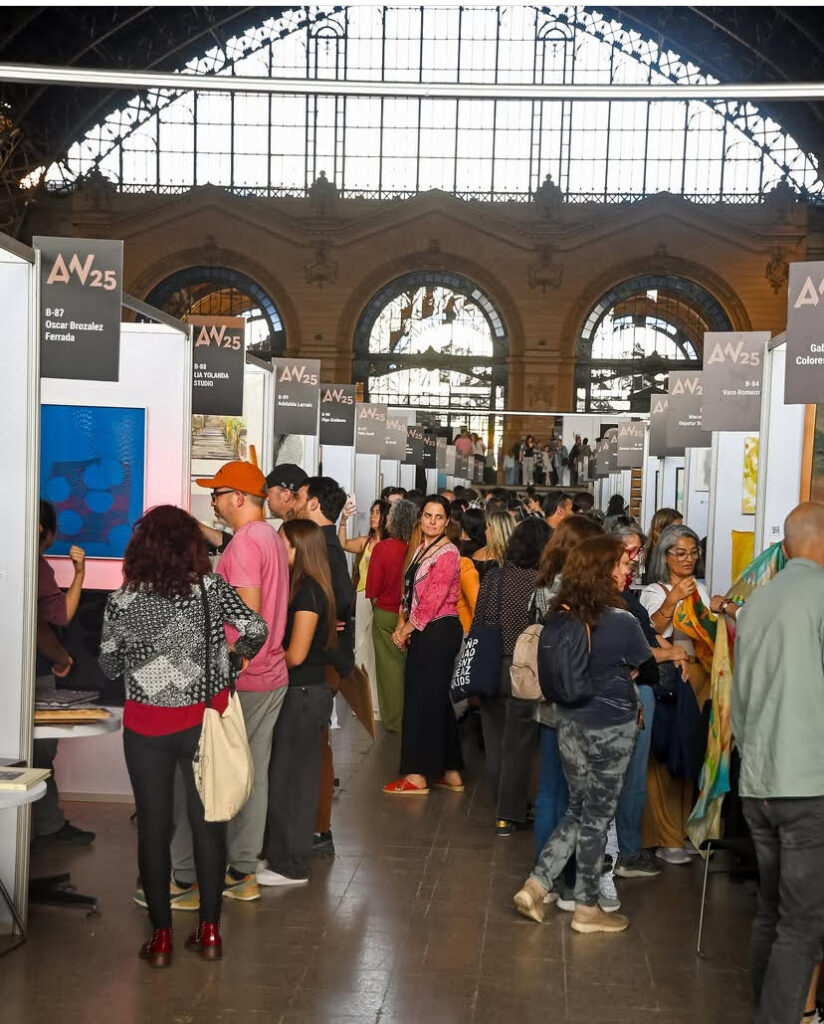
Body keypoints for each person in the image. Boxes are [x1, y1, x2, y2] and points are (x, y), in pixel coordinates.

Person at [99, 505, 268, 966]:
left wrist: (148, 659)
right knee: (208, 824)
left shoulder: (124, 600)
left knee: (154, 829)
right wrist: (231, 663)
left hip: (145, 727)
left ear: (142, 546)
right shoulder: (211, 590)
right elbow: (257, 627)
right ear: (193, 545)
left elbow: (110, 666)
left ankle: (160, 938)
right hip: (202, 723)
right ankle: (210, 931)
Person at [165, 461, 290, 905]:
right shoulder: (269, 539)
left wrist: (226, 666)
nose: (213, 502)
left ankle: (185, 880)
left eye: (217, 494)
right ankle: (243, 871)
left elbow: (248, 617)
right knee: (250, 773)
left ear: (238, 497)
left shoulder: (244, 548)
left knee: (204, 776)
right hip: (271, 673)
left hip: (241, 677)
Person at [513, 535, 651, 934]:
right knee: (597, 817)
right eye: (622, 563)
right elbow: (650, 668)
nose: (628, 568)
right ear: (605, 570)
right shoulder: (622, 621)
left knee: (578, 809)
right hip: (611, 728)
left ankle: (537, 883)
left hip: (569, 723)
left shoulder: (561, 614)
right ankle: (587, 907)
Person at [731, 503, 824, 1024]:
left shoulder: (757, 603)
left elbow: (741, 700)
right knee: (802, 923)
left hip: (758, 782)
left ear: (785, 548)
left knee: (771, 911)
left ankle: (766, 1009)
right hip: (808, 783)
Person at [610, 522, 690, 881]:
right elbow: (639, 648)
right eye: (628, 553)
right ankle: (625, 850)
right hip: (631, 695)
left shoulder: (624, 598)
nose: (634, 561)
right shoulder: (613, 600)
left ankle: (621, 849)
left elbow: (648, 633)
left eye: (638, 552)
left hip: (636, 692)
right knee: (629, 778)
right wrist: (670, 651)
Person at [264, 520, 337, 884]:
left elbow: (296, 654)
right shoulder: (302, 588)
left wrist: (259, 659)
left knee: (294, 782)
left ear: (299, 548)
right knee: (286, 778)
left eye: (283, 544)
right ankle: (280, 857)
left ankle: (291, 865)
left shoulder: (308, 593)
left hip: (303, 693)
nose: (277, 551)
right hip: (302, 693)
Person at [640, 523, 714, 864]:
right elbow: (650, 630)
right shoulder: (655, 591)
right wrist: (672, 600)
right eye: (679, 553)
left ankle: (686, 831)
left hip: (701, 677)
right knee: (668, 756)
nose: (687, 559)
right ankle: (667, 836)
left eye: (693, 552)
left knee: (691, 756)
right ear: (665, 556)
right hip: (673, 678)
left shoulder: (702, 587)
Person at [473, 517, 550, 835]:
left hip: (491, 665)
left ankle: (501, 808)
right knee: (519, 744)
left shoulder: (494, 576)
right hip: (524, 670)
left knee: (494, 741)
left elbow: (479, 618)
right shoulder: (541, 583)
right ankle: (511, 811)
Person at [383, 496, 463, 795]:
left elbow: (433, 599)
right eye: (427, 515)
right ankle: (450, 771)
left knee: (419, 702)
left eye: (438, 517)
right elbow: (411, 591)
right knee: (435, 701)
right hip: (425, 629)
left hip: (438, 629)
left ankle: (416, 775)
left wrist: (405, 630)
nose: (431, 521)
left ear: (447, 521)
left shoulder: (448, 553)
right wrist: (403, 619)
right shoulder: (422, 548)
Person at [294, 475, 354, 856]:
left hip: (319, 663)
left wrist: (323, 619)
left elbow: (343, 598)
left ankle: (317, 830)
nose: (295, 501)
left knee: (316, 747)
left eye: (300, 496)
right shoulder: (325, 546)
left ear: (314, 503)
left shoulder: (325, 549)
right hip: (322, 659)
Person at [33, 500, 93, 844]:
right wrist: (59, 657)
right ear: (45, 530)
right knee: (40, 756)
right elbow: (49, 623)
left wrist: (80, 573)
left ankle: (44, 826)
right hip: (35, 671)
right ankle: (45, 829)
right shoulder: (36, 568)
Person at [367, 499, 418, 732]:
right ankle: (412, 715)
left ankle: (394, 721)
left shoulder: (383, 548)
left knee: (389, 669)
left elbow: (373, 588)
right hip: (414, 616)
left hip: (386, 612)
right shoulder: (418, 549)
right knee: (409, 668)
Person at [338, 498, 389, 719]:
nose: (373, 516)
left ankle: (375, 702)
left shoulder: (389, 544)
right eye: (372, 512)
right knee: (360, 645)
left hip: (380, 598)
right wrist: (343, 521)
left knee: (373, 648)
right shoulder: (366, 542)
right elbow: (343, 543)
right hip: (362, 595)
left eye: (377, 512)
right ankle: (362, 700)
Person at [445, 518, 481, 634]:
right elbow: (475, 602)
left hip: (440, 630)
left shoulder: (427, 563)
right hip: (463, 629)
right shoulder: (462, 564)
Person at [642, 507, 682, 584]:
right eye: (675, 528)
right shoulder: (659, 553)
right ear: (662, 529)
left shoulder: (655, 549)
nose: (680, 531)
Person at [472, 510, 514, 581]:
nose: (485, 531)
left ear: (495, 531)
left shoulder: (478, 557)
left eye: (487, 527)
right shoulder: (520, 558)